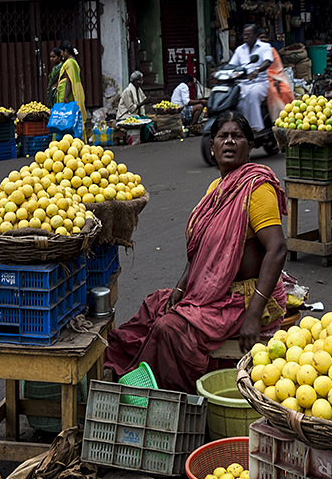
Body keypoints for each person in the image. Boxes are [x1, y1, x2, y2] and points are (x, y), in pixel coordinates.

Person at [105, 111, 288, 393]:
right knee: (154, 307)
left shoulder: (257, 187)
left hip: (242, 297)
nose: (229, 142)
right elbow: (202, 250)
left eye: (237, 136)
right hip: (210, 291)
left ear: (250, 146)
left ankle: (172, 399)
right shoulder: (216, 187)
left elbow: (276, 249)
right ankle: (132, 377)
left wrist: (254, 313)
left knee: (169, 328)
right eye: (222, 137)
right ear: (212, 147)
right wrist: (181, 286)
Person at [228, 23, 273, 132]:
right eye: (244, 35)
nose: (246, 37)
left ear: (255, 35)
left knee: (252, 95)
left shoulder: (264, 47)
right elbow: (232, 65)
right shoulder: (240, 50)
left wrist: (257, 70)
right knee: (236, 98)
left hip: (259, 83)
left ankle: (256, 128)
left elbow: (268, 61)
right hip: (243, 83)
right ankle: (242, 125)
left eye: (249, 34)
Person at [257, 29, 295, 122]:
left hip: (274, 78)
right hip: (258, 79)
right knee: (272, 90)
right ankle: (276, 119)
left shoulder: (272, 50)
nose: (264, 39)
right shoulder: (253, 51)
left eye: (265, 37)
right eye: (261, 37)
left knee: (286, 90)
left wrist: (276, 80)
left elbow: (277, 69)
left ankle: (289, 115)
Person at [56, 40, 88, 129]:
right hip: (72, 91)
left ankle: (65, 137)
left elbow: (69, 81)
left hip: (67, 93)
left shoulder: (69, 63)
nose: (61, 55)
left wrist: (65, 97)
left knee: (64, 116)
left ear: (66, 51)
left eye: (62, 52)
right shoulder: (74, 62)